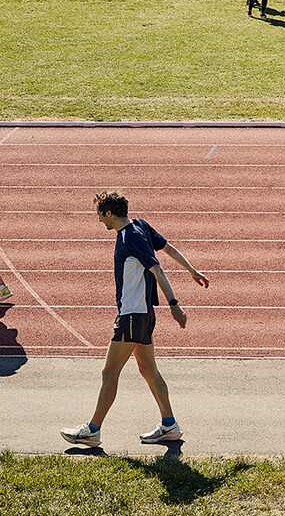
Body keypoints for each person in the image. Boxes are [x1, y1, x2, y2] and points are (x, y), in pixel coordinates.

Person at [59, 191, 209, 448]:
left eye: (100, 215)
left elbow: (157, 269)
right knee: (148, 370)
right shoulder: (140, 225)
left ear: (109, 213)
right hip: (143, 314)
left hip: (131, 315)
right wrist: (192, 271)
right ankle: (169, 425)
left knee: (109, 372)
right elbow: (169, 249)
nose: (99, 220)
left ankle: (92, 430)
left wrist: (174, 304)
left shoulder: (131, 236)